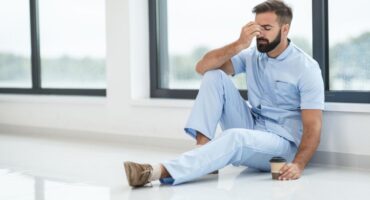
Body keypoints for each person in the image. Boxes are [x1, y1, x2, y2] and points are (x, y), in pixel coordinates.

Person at [124, 0, 324, 187]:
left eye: (267, 28)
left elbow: (313, 127)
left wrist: (298, 164)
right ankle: (203, 151)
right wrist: (239, 44)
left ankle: (157, 172)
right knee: (214, 75)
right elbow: (202, 67)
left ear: (285, 29)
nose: (259, 34)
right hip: (254, 125)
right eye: (256, 27)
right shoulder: (253, 55)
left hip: (282, 145)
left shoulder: (306, 68)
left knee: (235, 137)